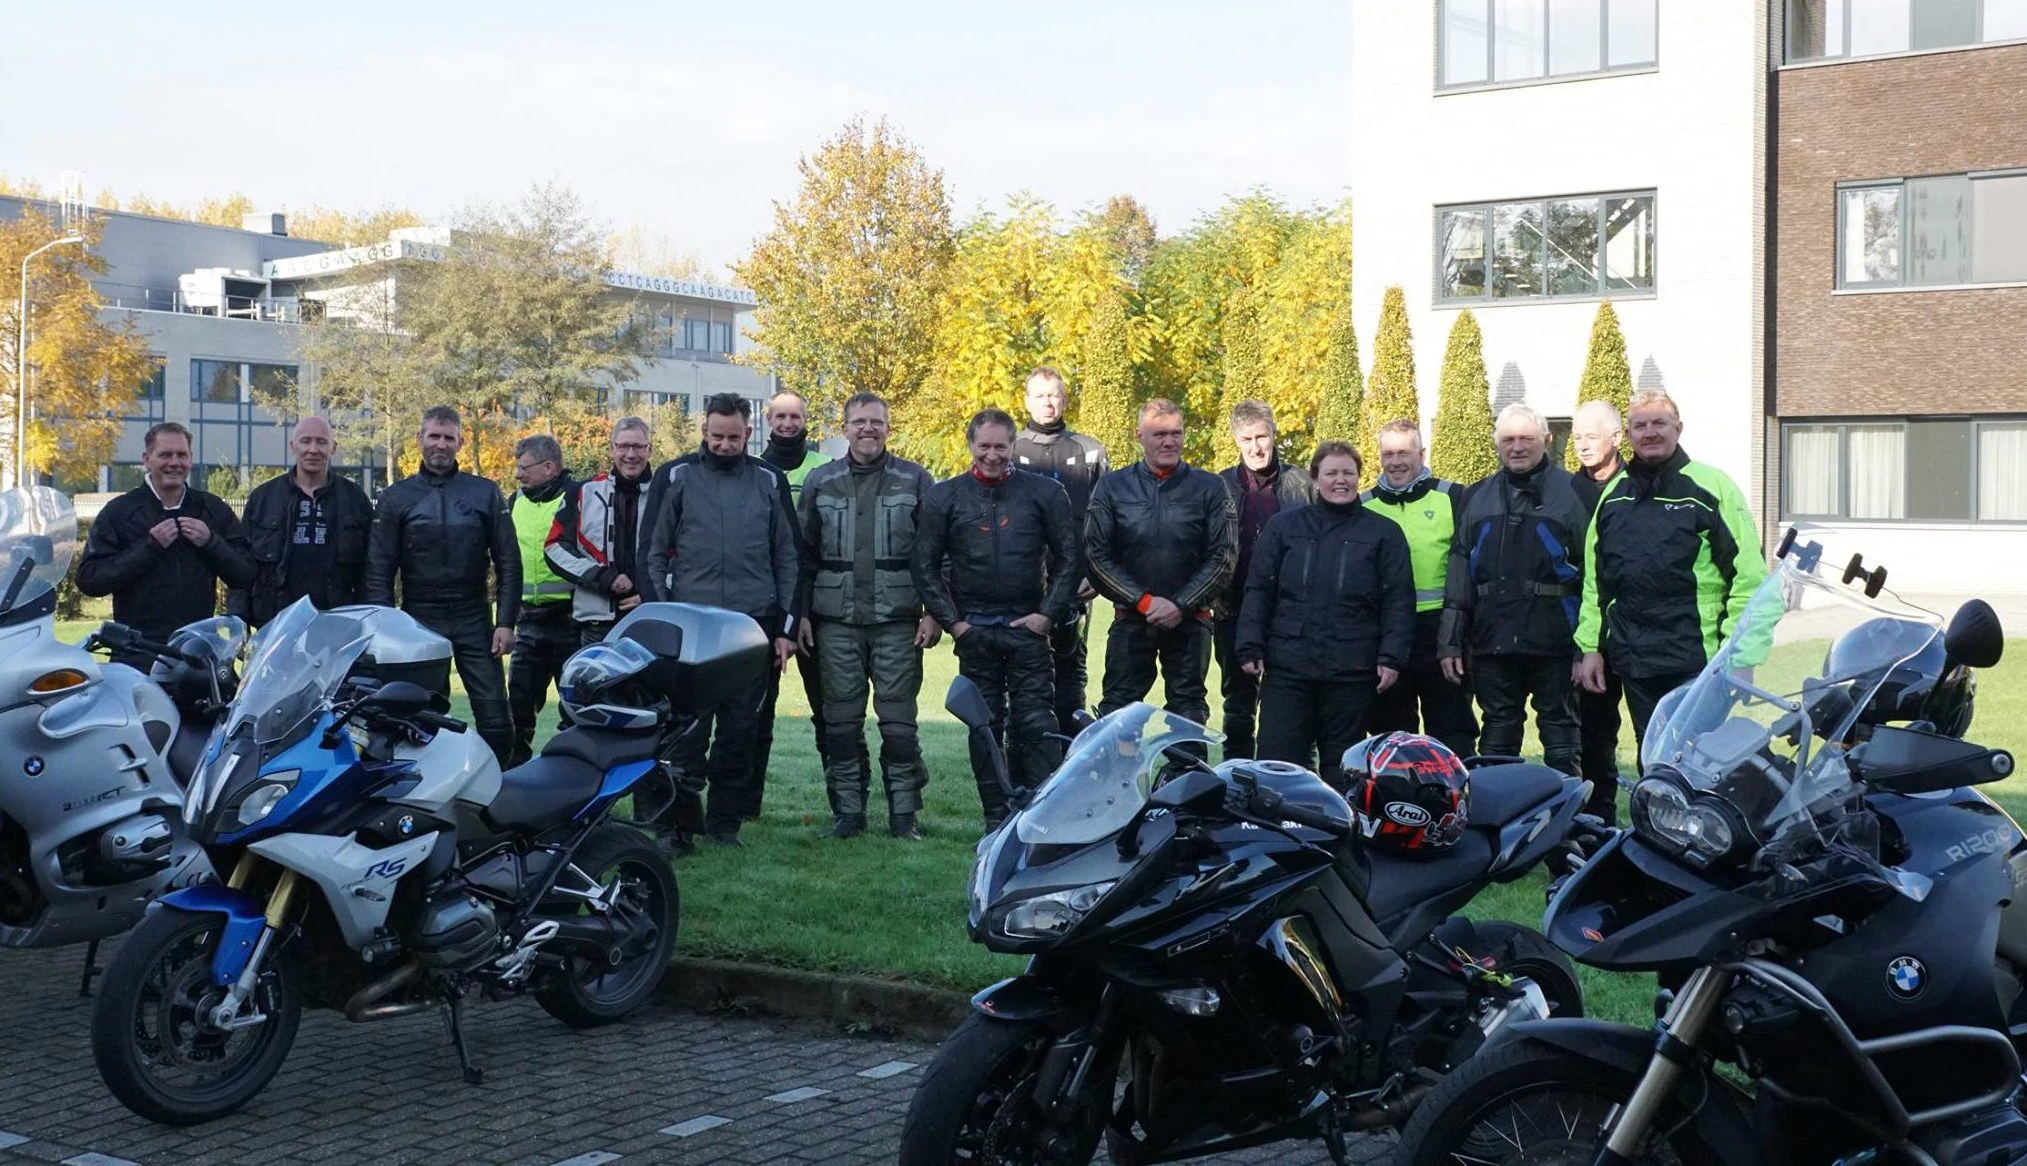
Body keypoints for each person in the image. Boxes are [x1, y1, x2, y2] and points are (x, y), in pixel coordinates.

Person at [1575, 389, 1766, 759]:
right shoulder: (1614, 495)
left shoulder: (1713, 487)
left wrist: (1742, 657)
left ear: (1678, 428)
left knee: (1702, 764)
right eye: (1640, 425)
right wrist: (1590, 649)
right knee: (1657, 763)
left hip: (1699, 663)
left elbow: (1750, 579)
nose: (1650, 433)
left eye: (1659, 423)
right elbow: (1596, 583)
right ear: (1627, 435)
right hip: (1636, 663)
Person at [644, 392, 799, 847]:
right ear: (704, 432)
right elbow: (651, 553)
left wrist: (786, 630)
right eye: (717, 436)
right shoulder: (675, 475)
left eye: (734, 437)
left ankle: (725, 826)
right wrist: (661, 617)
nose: (725, 444)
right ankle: (678, 827)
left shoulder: (770, 480)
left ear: (750, 433)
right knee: (685, 735)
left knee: (740, 731)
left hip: (753, 626)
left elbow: (788, 557)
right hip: (692, 629)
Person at [914, 408, 1080, 830]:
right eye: (983, 446)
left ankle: (1041, 816)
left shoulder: (1045, 493)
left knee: (1036, 720)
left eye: (1000, 447)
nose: (992, 455)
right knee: (984, 724)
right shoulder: (944, 496)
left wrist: (1046, 615)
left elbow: (1069, 558)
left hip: (1027, 626)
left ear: (1013, 446)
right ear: (970, 445)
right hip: (974, 629)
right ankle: (996, 816)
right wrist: (955, 623)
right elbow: (924, 565)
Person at [795, 392, 937, 840]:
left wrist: (933, 612)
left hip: (897, 620)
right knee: (840, 724)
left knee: (898, 725)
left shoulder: (915, 480)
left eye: (876, 422)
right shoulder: (821, 480)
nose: (867, 430)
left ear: (888, 427)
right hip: (834, 620)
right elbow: (801, 557)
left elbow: (935, 554)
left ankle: (903, 817)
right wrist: (798, 615)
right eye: (859, 422)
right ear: (844, 427)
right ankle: (848, 815)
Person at [1237, 441, 1413, 788]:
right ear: (1315, 479)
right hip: (1288, 668)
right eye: (1331, 473)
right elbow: (1259, 590)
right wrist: (1249, 645)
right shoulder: (1283, 527)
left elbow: (1398, 601)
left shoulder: (1384, 533)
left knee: (1344, 768)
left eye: (1348, 473)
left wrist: (1392, 657)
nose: (1340, 480)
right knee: (1276, 764)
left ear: (1359, 478)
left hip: (1351, 671)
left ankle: (1340, 838)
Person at [1437, 405, 1590, 776]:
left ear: (1547, 441)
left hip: (1555, 636)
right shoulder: (1477, 497)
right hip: (1493, 637)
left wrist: (1588, 646)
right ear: (1497, 445)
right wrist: (1450, 643)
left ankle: (1567, 824)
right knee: (1497, 736)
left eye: (1526, 439)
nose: (1517, 447)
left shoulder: (1573, 493)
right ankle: (1498, 821)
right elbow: (1460, 571)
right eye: (1508, 439)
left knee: (1561, 737)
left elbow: (1593, 572)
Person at [365, 406, 520, 764]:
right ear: (419, 439)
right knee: (419, 718)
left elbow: (508, 560)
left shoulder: (485, 493)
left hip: (474, 617)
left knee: (496, 719)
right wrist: (384, 628)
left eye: (448, 438)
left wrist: (506, 621)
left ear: (460, 443)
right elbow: (379, 568)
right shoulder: (395, 498)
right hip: (419, 618)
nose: (441, 444)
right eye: (434, 436)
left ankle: (497, 793)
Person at [1084, 398, 1237, 727]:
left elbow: (1224, 557)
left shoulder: (1210, 487)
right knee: (1118, 715)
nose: (1169, 441)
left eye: (1176, 433)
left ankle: (1186, 776)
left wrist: (1180, 605)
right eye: (1159, 434)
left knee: (1189, 711)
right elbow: (1096, 556)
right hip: (1131, 617)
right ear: (1140, 435)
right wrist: (1144, 601)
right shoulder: (1112, 487)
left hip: (1191, 620)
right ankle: (1118, 778)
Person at [77, 421, 255, 670]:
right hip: (135, 655)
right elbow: (90, 580)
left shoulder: (212, 509)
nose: (174, 462)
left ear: (191, 459)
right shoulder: (119, 512)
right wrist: (149, 546)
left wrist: (211, 542)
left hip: (197, 655)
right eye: (165, 455)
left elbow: (246, 575)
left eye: (182, 455)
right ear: (147, 459)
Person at [759, 388, 860, 794]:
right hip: (767, 602)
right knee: (758, 713)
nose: (787, 423)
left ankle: (842, 797)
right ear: (768, 420)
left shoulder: (826, 468)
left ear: (806, 421)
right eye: (780, 416)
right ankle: (747, 805)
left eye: (794, 416)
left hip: (819, 603)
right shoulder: (753, 469)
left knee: (828, 709)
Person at [1360, 420, 1478, 759]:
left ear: (1422, 454)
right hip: (1387, 633)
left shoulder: (1453, 497)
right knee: (1392, 733)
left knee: (1452, 729)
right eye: (1388, 454)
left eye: (1404, 453)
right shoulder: (1364, 504)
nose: (1395, 462)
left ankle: (1459, 801)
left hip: (1441, 631)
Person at [1214, 400, 1313, 760]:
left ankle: (1301, 781)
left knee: (1296, 703)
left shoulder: (1302, 484)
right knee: (1238, 704)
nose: (1256, 447)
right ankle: (1236, 777)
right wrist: (1215, 600)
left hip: (1291, 614)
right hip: (1234, 611)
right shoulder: (1218, 486)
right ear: (1235, 441)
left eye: (1262, 437)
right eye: (1247, 439)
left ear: (1274, 436)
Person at [1014, 367, 1110, 731]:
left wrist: (1097, 575)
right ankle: (1023, 765)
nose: (1048, 403)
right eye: (1039, 396)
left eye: (1054, 395)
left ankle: (1071, 757)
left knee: (1071, 675)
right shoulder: (1011, 448)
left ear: (1065, 399)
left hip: (1075, 583)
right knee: (1024, 676)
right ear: (1027, 401)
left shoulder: (1089, 450)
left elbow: (1106, 521)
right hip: (1021, 584)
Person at [228, 415, 372, 627]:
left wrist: (369, 619)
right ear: (292, 446)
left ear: (333, 447)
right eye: (305, 441)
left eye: (321, 441)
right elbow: (242, 566)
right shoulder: (263, 498)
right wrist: (238, 621)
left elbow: (371, 569)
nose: (313, 449)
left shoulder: (355, 499)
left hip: (338, 624)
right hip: (275, 623)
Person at [1568, 400, 1628, 821]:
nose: (1583, 445)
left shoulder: (1640, 485)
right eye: (1576, 437)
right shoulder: (1567, 492)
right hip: (1587, 636)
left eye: (1592, 435)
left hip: (1641, 632)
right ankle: (1598, 822)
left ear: (1616, 437)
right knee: (1594, 735)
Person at [545, 417, 654, 647]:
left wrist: (650, 594)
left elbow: (685, 557)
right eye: (624, 446)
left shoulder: (666, 496)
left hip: (650, 617)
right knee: (597, 683)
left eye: (638, 446)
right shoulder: (583, 492)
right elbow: (554, 548)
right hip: (597, 624)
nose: (631, 454)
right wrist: (604, 578)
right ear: (612, 449)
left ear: (649, 450)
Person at [503, 434, 577, 767]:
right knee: (517, 710)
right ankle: (513, 780)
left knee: (576, 711)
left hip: (571, 622)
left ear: (549, 468)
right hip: (529, 622)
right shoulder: (513, 501)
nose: (518, 474)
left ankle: (569, 780)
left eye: (524, 467)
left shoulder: (577, 499)